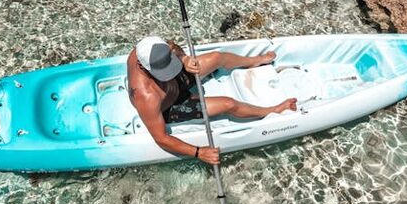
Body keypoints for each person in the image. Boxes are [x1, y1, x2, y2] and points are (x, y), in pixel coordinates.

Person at [127, 36, 297, 166]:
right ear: (142, 67)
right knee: (228, 104)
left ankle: (255, 61)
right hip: (173, 105)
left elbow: (174, 47)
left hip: (177, 80)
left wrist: (185, 59)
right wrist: (198, 152)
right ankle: (271, 110)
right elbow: (161, 138)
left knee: (217, 57)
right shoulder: (145, 96)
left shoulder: (151, 47)